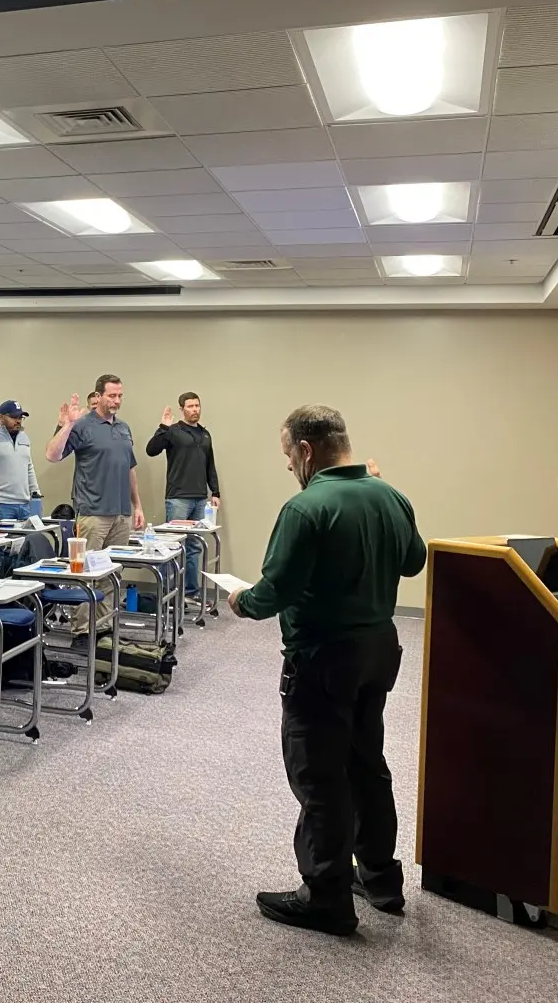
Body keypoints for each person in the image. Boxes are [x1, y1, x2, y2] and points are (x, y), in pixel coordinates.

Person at [229, 405, 425, 937]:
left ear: (307, 450)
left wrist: (241, 601)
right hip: (378, 651)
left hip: (321, 659)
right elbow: (414, 561)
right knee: (366, 762)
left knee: (318, 774)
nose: (289, 465)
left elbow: (276, 592)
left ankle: (326, 896)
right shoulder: (390, 495)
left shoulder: (304, 508)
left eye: (289, 454)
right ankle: (381, 879)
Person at [45, 376, 144, 637]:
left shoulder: (123, 428)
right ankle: (82, 631)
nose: (117, 401)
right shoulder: (82, 425)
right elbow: (52, 455)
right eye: (112, 395)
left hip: (121, 513)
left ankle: (104, 628)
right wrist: (66, 425)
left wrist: (138, 506)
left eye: (120, 395)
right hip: (92, 513)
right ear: (98, 396)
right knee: (86, 575)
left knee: (111, 574)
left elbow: (130, 469)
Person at [146, 391, 222, 605]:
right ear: (182, 409)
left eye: (197, 406)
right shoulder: (173, 431)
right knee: (173, 546)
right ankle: (168, 593)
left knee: (195, 547)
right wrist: (163, 428)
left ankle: (190, 592)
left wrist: (214, 492)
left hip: (200, 499)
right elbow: (151, 450)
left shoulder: (205, 435)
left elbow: (210, 465)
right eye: (190, 406)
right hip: (178, 498)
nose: (195, 410)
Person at [0, 399, 40, 522]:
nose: (18, 421)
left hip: (25, 504)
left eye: (20, 417)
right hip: (2, 504)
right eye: (13, 417)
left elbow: (29, 466)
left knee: (27, 541)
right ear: (1, 417)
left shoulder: (24, 437)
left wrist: (36, 493)